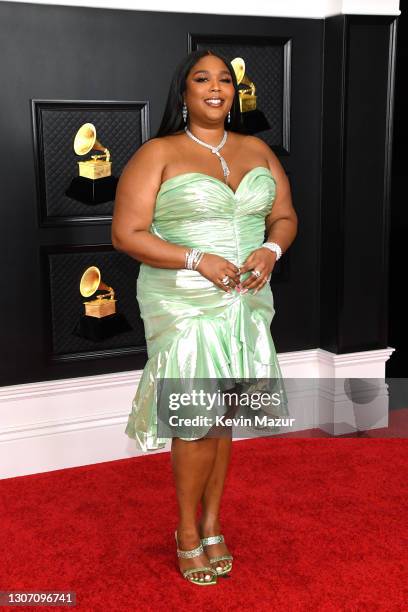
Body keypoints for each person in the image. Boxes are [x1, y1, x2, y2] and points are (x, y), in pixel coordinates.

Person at [111, 49, 297, 586]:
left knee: (222, 414)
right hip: (183, 297)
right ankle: (186, 533)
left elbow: (283, 216)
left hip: (246, 297)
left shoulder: (257, 149)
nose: (216, 88)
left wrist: (271, 252)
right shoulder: (159, 153)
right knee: (195, 416)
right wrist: (197, 259)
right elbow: (126, 234)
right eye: (202, 79)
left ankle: (213, 524)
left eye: (224, 81)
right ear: (184, 92)